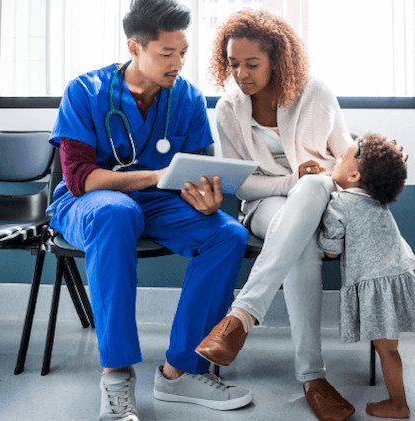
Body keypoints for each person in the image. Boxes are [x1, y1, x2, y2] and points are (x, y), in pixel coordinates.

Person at [46, 0, 253, 419]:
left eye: (183, 53)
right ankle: (117, 375)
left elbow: (194, 172)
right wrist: (155, 177)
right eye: (166, 54)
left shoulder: (188, 99)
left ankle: (179, 373)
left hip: (159, 203)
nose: (178, 63)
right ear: (134, 47)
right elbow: (82, 178)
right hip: (88, 203)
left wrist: (205, 197)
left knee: (227, 233)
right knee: (116, 213)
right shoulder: (84, 92)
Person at [194, 8, 358, 421]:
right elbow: (242, 184)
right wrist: (290, 183)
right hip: (265, 205)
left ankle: (240, 317)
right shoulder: (228, 109)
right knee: (300, 242)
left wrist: (326, 175)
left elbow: (345, 156)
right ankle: (313, 378)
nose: (241, 74)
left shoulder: (315, 92)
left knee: (316, 184)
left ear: (276, 60)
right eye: (233, 64)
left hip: (321, 198)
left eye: (252, 64)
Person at [318, 132, 415, 419]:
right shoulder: (376, 198)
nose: (335, 160)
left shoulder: (340, 203)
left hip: (378, 281)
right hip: (400, 272)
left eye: (341, 158)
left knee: (387, 350)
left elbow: (331, 250)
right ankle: (398, 401)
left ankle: (399, 404)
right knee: (390, 348)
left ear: (355, 175)